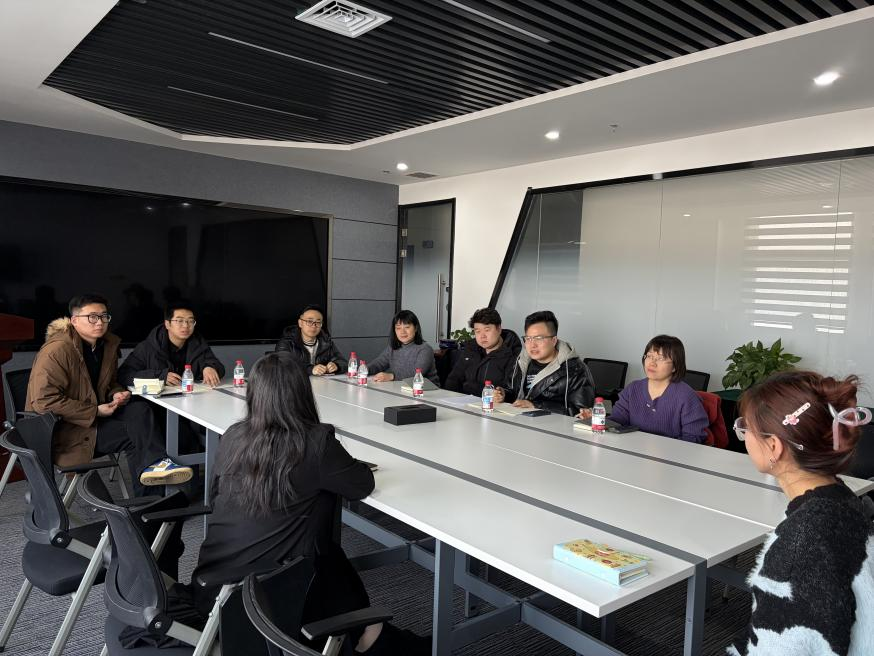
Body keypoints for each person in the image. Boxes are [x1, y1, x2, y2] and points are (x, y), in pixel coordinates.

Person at [190, 352, 429, 654]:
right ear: (302, 392)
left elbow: (216, 494)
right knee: (328, 550)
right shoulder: (313, 441)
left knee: (327, 550)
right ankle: (367, 635)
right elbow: (361, 484)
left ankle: (366, 630)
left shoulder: (233, 436)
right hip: (267, 600)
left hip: (212, 587)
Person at [728, 371, 874, 656]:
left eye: (747, 428)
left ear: (774, 446)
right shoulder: (840, 498)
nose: (744, 436)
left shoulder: (800, 545)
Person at [25, 293, 192, 495]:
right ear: (74, 321)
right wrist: (95, 411)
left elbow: (110, 383)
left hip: (93, 421)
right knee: (139, 436)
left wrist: (116, 393)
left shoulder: (105, 345)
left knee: (139, 409)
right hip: (64, 431)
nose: (100, 322)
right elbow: (44, 402)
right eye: (92, 317)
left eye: (104, 316)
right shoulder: (57, 350)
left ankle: (156, 469)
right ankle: (151, 499)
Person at [593, 335, 708, 443]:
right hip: (633, 449)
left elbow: (694, 437)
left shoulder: (686, 396)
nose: (652, 363)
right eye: (649, 356)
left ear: (675, 366)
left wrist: (661, 448)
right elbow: (617, 422)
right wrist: (596, 419)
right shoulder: (633, 389)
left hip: (671, 455)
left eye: (660, 358)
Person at [494, 310, 594, 416]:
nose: (532, 345)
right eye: (528, 338)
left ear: (554, 340)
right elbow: (514, 393)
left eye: (539, 338)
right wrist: (503, 394)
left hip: (552, 425)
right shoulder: (522, 360)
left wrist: (536, 406)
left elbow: (581, 413)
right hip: (519, 420)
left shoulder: (575, 369)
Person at [118, 300, 224, 389]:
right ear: (167, 324)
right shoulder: (147, 347)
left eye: (190, 321)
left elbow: (219, 367)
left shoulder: (198, 344)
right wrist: (160, 377)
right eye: (179, 321)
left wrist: (210, 367)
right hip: (158, 402)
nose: (186, 325)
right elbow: (124, 375)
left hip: (192, 399)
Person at [444, 307, 521, 395]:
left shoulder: (513, 354)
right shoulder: (470, 349)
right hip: (463, 401)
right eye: (478, 331)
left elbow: (511, 392)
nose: (482, 336)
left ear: (499, 329)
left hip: (491, 402)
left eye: (487, 330)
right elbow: (453, 379)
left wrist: (469, 386)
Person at [369, 310, 439, 385]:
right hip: (400, 387)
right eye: (398, 328)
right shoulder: (393, 347)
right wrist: (365, 369)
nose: (402, 332)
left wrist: (391, 376)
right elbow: (379, 364)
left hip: (426, 390)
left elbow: (416, 374)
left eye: (407, 327)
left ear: (415, 328)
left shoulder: (425, 349)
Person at [275, 304, 347, 376]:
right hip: (296, 382)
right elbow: (282, 366)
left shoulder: (326, 342)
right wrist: (311, 369)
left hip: (321, 382)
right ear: (300, 323)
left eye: (318, 322)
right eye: (309, 321)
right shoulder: (286, 342)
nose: (314, 325)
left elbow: (343, 362)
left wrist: (336, 365)